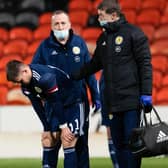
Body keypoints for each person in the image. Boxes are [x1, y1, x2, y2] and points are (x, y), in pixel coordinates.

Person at [71, 1, 153, 168]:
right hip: (111, 102)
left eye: (101, 15)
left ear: (114, 15)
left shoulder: (134, 33)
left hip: (130, 100)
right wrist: (73, 75)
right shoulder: (103, 38)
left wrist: (146, 92)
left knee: (133, 143)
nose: (98, 19)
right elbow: (94, 64)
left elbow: (145, 63)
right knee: (118, 144)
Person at [31, 10, 101, 168]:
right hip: (53, 104)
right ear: (51, 26)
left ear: (69, 25)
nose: (60, 26)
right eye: (56, 23)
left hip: (78, 103)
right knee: (52, 139)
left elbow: (89, 72)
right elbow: (33, 73)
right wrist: (39, 92)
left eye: (63, 23)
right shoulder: (44, 47)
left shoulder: (79, 43)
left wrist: (96, 96)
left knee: (79, 143)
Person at [6, 60, 88, 168]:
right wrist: (46, 128)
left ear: (25, 71)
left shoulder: (45, 77)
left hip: (73, 103)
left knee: (68, 140)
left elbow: (56, 101)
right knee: (48, 140)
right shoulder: (26, 85)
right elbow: (37, 105)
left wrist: (64, 126)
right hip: (53, 105)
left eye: (20, 81)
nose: (20, 84)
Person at [99, 72, 119, 168]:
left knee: (123, 136)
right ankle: (116, 165)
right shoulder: (104, 74)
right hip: (107, 106)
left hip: (122, 105)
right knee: (110, 135)